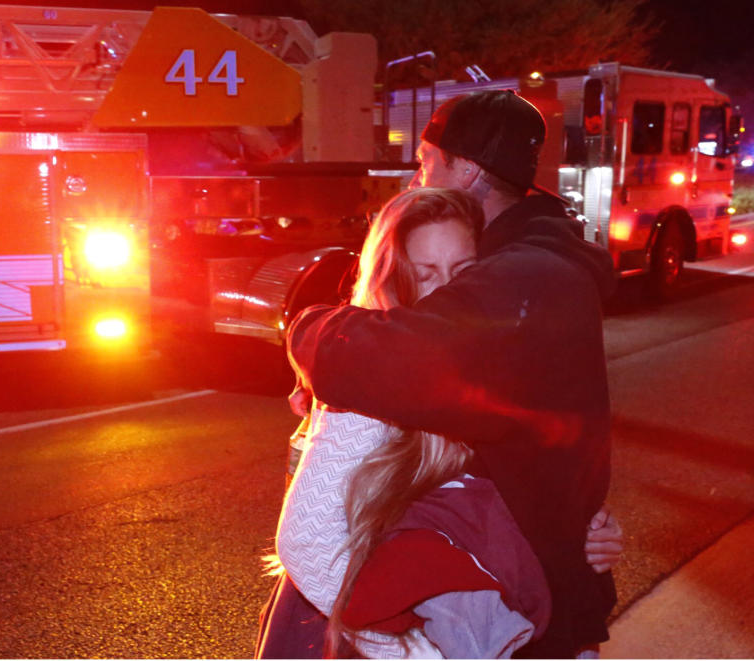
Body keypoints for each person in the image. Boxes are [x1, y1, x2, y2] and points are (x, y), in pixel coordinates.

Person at [285, 90, 621, 658]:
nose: (418, 179)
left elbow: (379, 361)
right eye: (427, 273)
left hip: (527, 620)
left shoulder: (522, 279)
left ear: (463, 171)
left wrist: (307, 328)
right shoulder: (542, 265)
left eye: (426, 161)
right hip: (509, 616)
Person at [258, 187, 552, 659]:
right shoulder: (373, 371)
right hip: (365, 628)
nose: (449, 289)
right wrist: (410, 652)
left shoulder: (477, 359)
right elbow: (307, 540)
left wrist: (583, 527)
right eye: (427, 274)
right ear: (396, 280)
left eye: (463, 270)